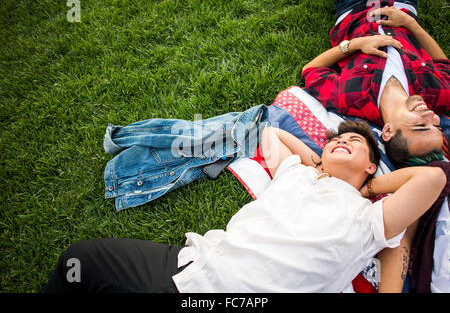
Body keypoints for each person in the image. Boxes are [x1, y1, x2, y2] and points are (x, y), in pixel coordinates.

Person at [44, 120, 445, 292]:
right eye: (337, 138)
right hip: (195, 261)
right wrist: (317, 163)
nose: (344, 141)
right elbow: (272, 132)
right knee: (77, 263)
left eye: (355, 143)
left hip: (242, 294)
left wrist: (369, 185)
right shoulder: (295, 173)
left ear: (372, 165)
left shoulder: (370, 219)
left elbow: (433, 177)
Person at [302, 0, 449, 168]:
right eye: (437, 127)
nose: (431, 116)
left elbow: (311, 70)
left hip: (354, 6)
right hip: (402, 2)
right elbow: (444, 65)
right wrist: (410, 23)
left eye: (421, 126)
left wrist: (355, 44)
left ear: (388, 131)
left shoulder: (352, 98)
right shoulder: (438, 95)